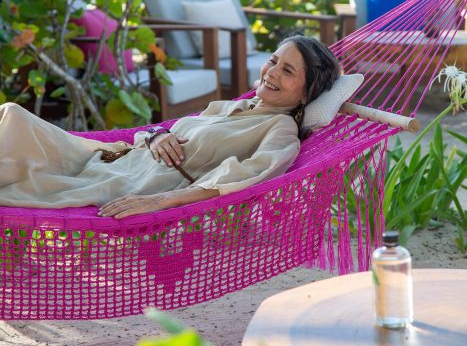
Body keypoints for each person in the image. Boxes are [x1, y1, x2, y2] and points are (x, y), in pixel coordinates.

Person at [0, 36, 340, 218]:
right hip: (111, 157)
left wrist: (162, 201)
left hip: (123, 180)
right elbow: (163, 132)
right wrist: (157, 133)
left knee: (13, 120)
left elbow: (246, 178)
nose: (272, 72)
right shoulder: (234, 106)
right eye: (274, 61)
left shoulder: (279, 129)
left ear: (307, 92)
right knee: (11, 116)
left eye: (288, 71)